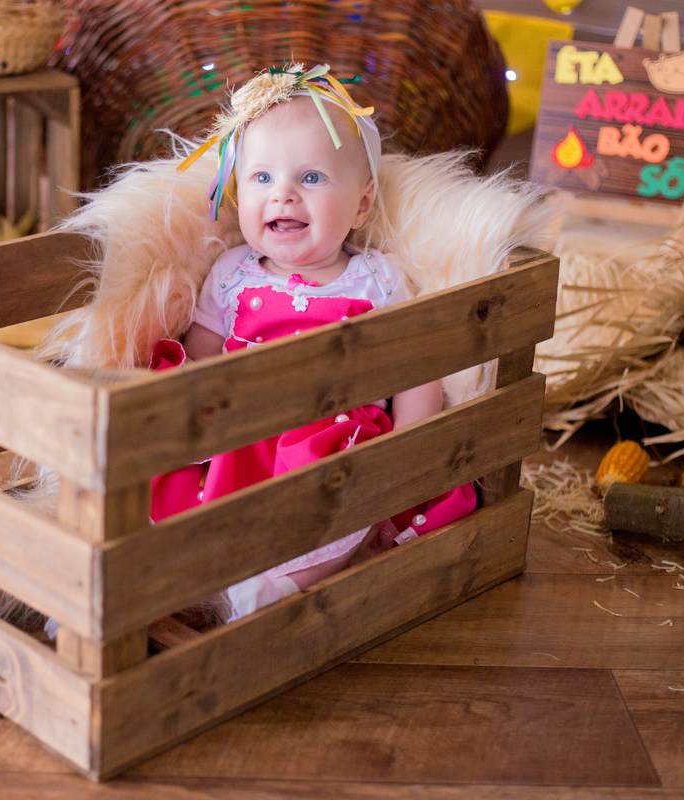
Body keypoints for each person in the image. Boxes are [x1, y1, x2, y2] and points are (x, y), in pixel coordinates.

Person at [147, 66, 477, 621]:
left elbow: (414, 365)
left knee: (340, 496)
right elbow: (201, 354)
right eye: (261, 179)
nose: (283, 195)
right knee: (173, 476)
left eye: (312, 178)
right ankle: (149, 581)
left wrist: (411, 445)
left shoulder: (376, 278)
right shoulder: (231, 273)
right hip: (239, 423)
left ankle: (279, 586)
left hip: (328, 429)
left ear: (362, 205)